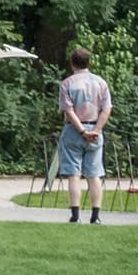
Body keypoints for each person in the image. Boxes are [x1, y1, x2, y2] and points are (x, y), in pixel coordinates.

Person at [54, 45, 113, 224]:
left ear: (72, 63)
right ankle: (95, 216)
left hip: (74, 131)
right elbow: (106, 109)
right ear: (90, 63)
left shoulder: (67, 84)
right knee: (94, 174)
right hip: (96, 129)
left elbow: (69, 111)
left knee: (73, 174)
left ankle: (75, 215)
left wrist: (81, 131)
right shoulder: (100, 82)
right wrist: (96, 130)